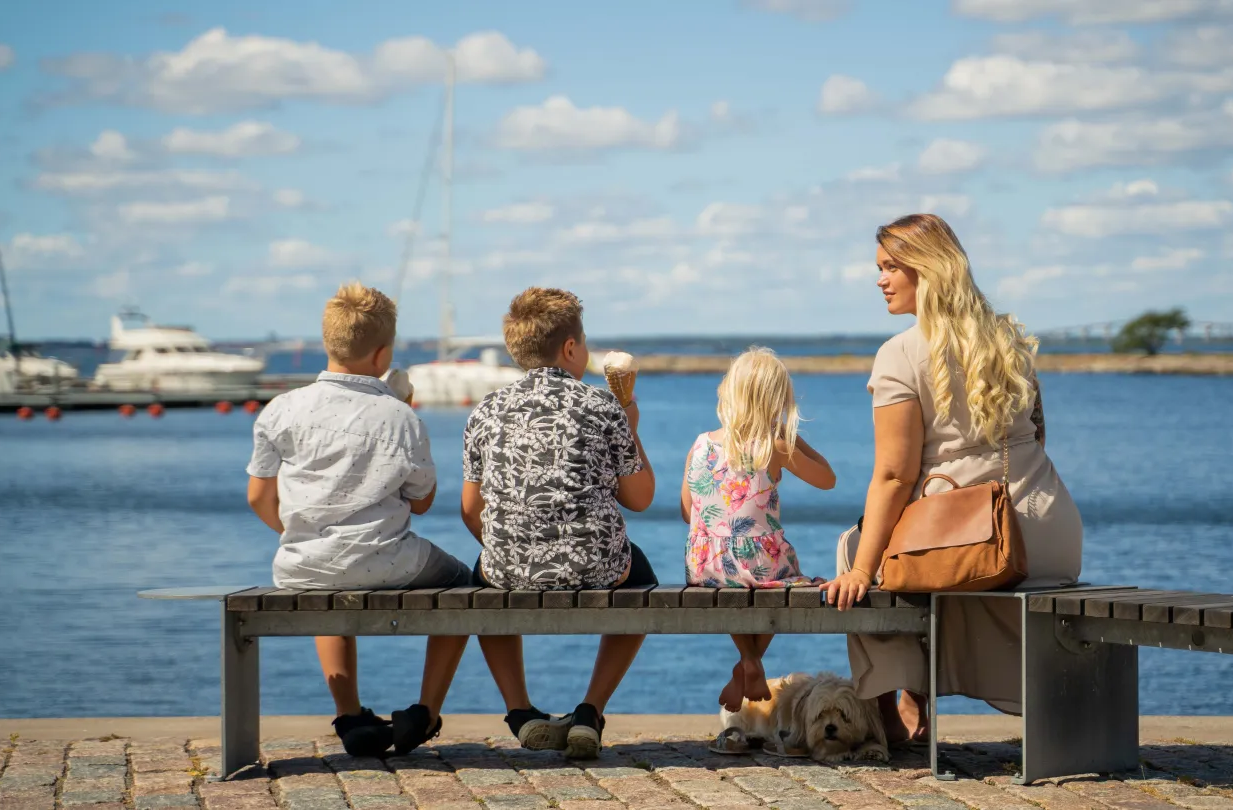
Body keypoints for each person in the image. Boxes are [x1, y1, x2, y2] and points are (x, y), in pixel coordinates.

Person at [825, 214, 1082, 745]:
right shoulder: (1007, 338)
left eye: (892, 267)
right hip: (1048, 531)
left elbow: (894, 476)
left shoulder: (900, 352)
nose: (880, 279)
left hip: (979, 541)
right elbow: (1040, 434)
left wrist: (862, 570)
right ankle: (917, 697)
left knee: (857, 550)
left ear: (928, 270)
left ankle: (895, 715)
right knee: (921, 557)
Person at [246, 282, 473, 758]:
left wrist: (298, 535)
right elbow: (424, 500)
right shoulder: (399, 417)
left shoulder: (281, 409)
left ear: (328, 344)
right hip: (389, 560)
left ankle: (351, 716)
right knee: (463, 583)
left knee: (322, 583)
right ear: (384, 354)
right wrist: (402, 417)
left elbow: (258, 497)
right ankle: (425, 712)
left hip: (301, 563)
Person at [460, 287, 657, 760]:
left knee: (479, 581)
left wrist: (515, 545)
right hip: (599, 566)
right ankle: (591, 710)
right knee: (644, 578)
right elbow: (641, 498)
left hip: (510, 567)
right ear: (570, 348)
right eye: (583, 341)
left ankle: (520, 712)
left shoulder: (485, 410)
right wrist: (630, 423)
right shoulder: (602, 406)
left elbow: (471, 509)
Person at [681, 348, 835, 714]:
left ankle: (746, 662)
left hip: (704, 564)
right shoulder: (776, 445)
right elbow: (828, 479)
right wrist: (788, 436)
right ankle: (749, 662)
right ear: (776, 400)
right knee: (789, 580)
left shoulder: (700, 443)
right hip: (761, 564)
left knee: (731, 580)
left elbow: (687, 510)